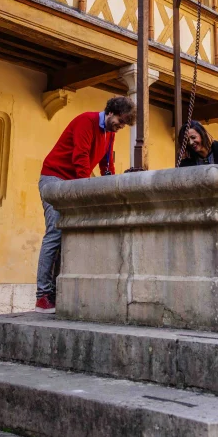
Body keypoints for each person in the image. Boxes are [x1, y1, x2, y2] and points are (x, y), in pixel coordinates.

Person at [35, 95, 136, 313]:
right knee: (54, 232)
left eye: (124, 124)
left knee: (68, 236)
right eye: (120, 121)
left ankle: (57, 293)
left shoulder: (109, 134)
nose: (121, 126)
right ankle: (42, 295)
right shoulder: (86, 121)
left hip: (73, 184)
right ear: (110, 112)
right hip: (55, 179)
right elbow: (80, 158)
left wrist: (110, 186)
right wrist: (87, 191)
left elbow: (106, 164)